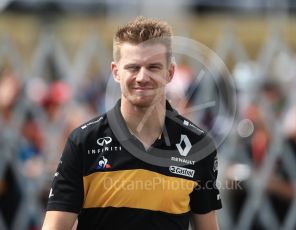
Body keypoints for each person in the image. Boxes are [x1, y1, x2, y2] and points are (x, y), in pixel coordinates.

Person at [42, 16, 222, 230]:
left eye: (153, 67)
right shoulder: (84, 141)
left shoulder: (198, 145)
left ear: (170, 72)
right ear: (116, 72)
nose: (142, 77)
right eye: (133, 67)